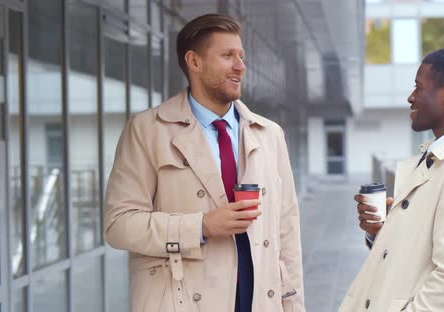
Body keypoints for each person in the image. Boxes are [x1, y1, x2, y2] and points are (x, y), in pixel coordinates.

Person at [104, 13, 304, 312]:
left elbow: (287, 233)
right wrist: (201, 225)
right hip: (184, 300)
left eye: (241, 56)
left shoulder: (269, 134)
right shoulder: (147, 130)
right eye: (227, 56)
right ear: (194, 62)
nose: (240, 66)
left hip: (260, 300)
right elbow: (118, 225)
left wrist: (294, 307)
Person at [339, 47, 444, 312]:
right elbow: (418, 252)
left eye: (419, 87)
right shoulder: (436, 155)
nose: (411, 97)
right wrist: (381, 231)